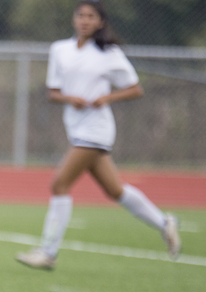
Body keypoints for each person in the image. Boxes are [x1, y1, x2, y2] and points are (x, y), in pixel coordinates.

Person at [15, 0, 181, 270]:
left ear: (100, 22)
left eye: (91, 16)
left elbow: (135, 88)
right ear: (74, 19)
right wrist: (72, 99)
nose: (85, 20)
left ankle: (48, 252)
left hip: (97, 130)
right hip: (76, 128)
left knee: (59, 184)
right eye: (81, 15)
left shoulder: (109, 53)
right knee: (115, 190)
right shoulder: (60, 49)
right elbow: (53, 93)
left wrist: (106, 97)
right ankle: (164, 222)